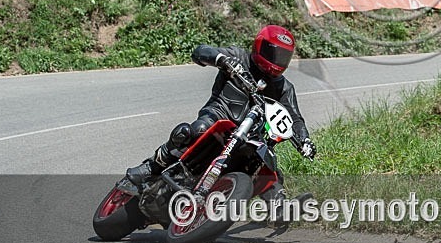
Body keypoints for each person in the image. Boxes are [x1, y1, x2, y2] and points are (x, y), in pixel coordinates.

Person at [126, 25, 317, 205]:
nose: (277, 59)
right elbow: (200, 51)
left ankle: (279, 207)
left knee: (266, 165)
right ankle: (151, 167)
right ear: (259, 46)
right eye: (273, 52)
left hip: (250, 136)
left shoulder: (284, 88)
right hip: (218, 116)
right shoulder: (238, 57)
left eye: (283, 56)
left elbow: (295, 118)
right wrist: (221, 59)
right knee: (195, 130)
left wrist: (305, 140)